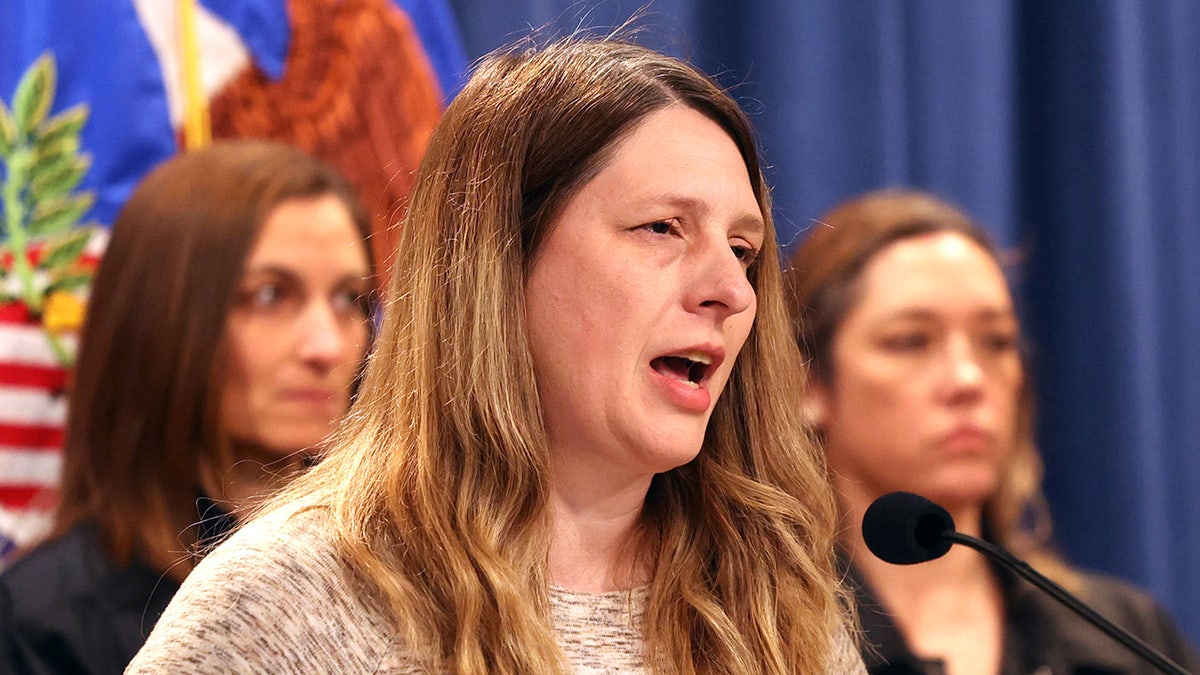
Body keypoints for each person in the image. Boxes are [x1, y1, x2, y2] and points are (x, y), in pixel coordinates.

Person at [125, 37, 865, 674]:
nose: (730, 290)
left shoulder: (778, 598)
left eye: (743, 250)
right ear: (501, 263)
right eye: (663, 228)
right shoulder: (297, 595)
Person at [785, 189, 1200, 675]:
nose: (968, 379)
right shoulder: (760, 639)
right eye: (911, 341)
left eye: (996, 341)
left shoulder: (1127, 636)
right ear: (807, 383)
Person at [0, 140, 375, 674]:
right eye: (270, 295)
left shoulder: (415, 576)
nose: (327, 346)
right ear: (163, 319)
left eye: (348, 300)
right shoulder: (43, 625)